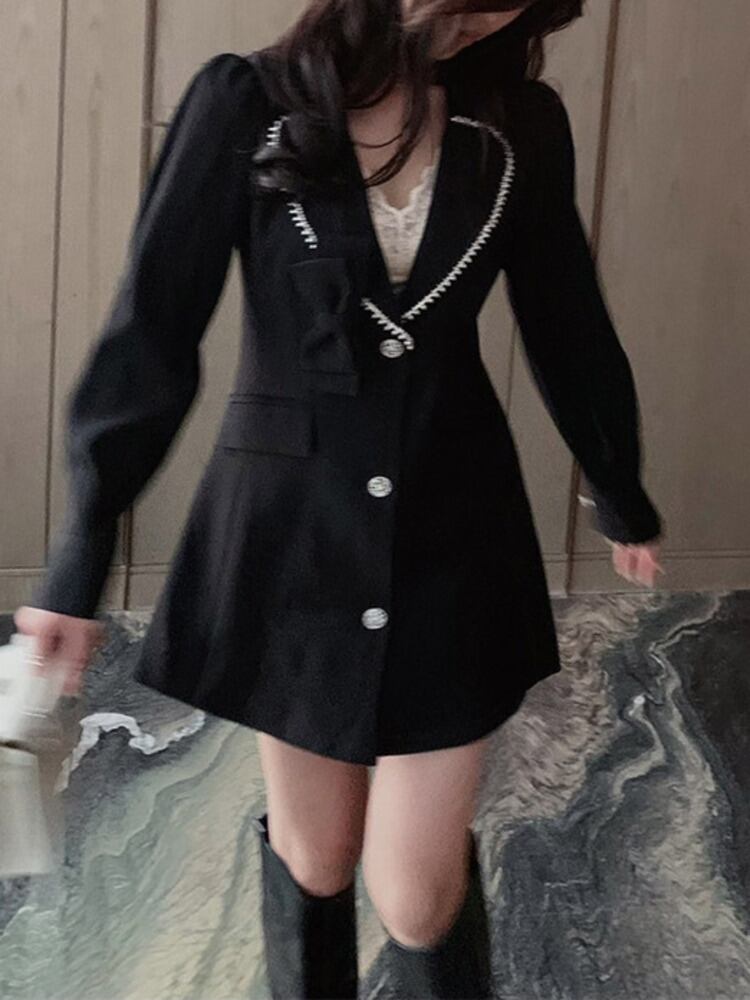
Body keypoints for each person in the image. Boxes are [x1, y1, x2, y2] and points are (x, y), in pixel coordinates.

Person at [15, 0, 666, 996]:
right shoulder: (246, 102)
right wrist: (80, 554)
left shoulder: (518, 122)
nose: (486, 17)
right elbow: (153, 329)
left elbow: (564, 311)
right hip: (292, 535)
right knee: (316, 858)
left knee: (418, 893)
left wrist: (617, 486)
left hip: (456, 527)